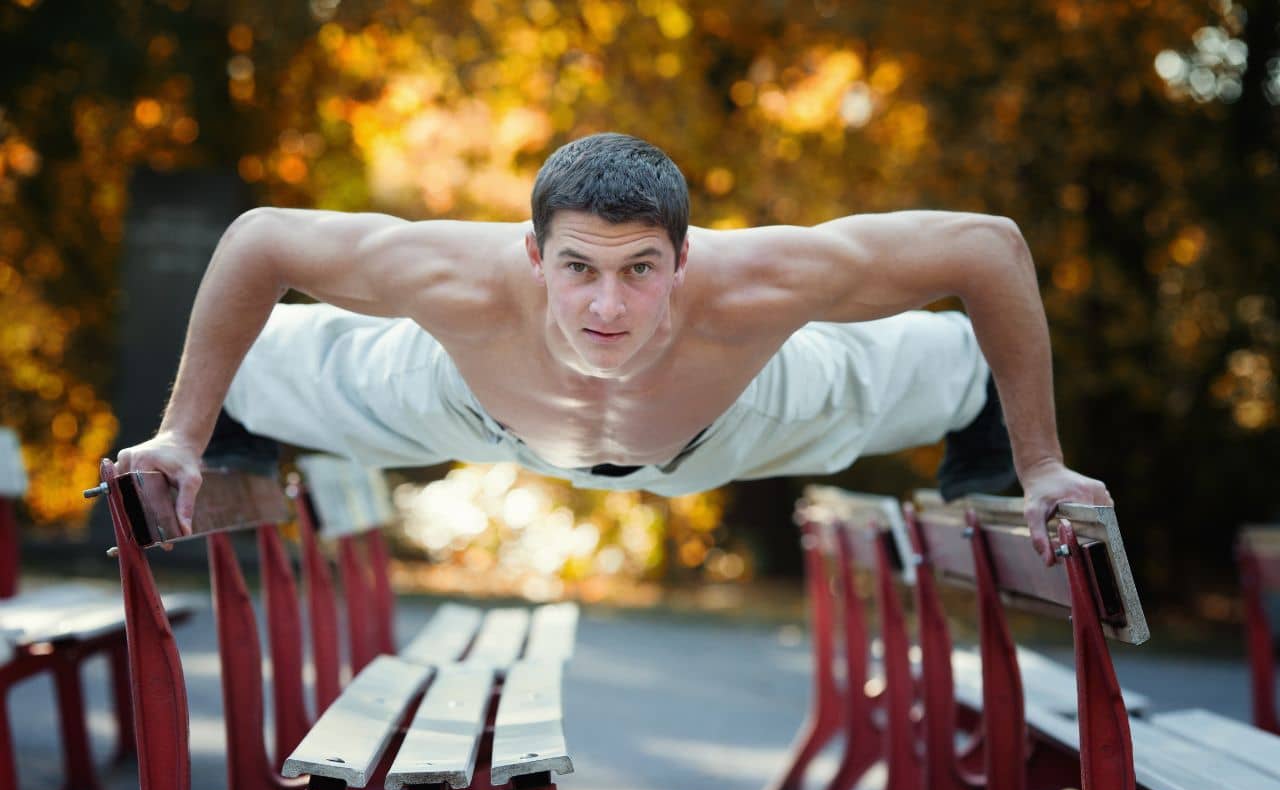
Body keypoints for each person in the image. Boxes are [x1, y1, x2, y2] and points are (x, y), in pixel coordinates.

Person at [113, 132, 1110, 564]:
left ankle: (980, 420)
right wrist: (183, 433)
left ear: (684, 259)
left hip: (720, 417)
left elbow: (989, 247)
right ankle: (230, 422)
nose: (606, 304)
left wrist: (1037, 460)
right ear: (532, 256)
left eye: (640, 269)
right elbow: (257, 240)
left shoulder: (758, 281)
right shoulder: (456, 278)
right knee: (297, 356)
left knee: (890, 367)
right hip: (483, 397)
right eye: (579, 267)